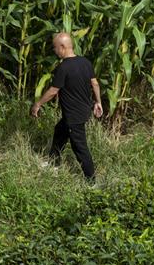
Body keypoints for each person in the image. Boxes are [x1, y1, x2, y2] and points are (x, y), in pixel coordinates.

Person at [31, 32, 103, 181]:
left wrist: (38, 104)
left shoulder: (63, 68)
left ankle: (91, 181)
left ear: (62, 47)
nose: (54, 51)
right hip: (83, 110)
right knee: (59, 132)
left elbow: (53, 91)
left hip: (74, 115)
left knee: (79, 147)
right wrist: (98, 102)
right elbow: (94, 83)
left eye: (55, 47)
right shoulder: (85, 62)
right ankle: (54, 164)